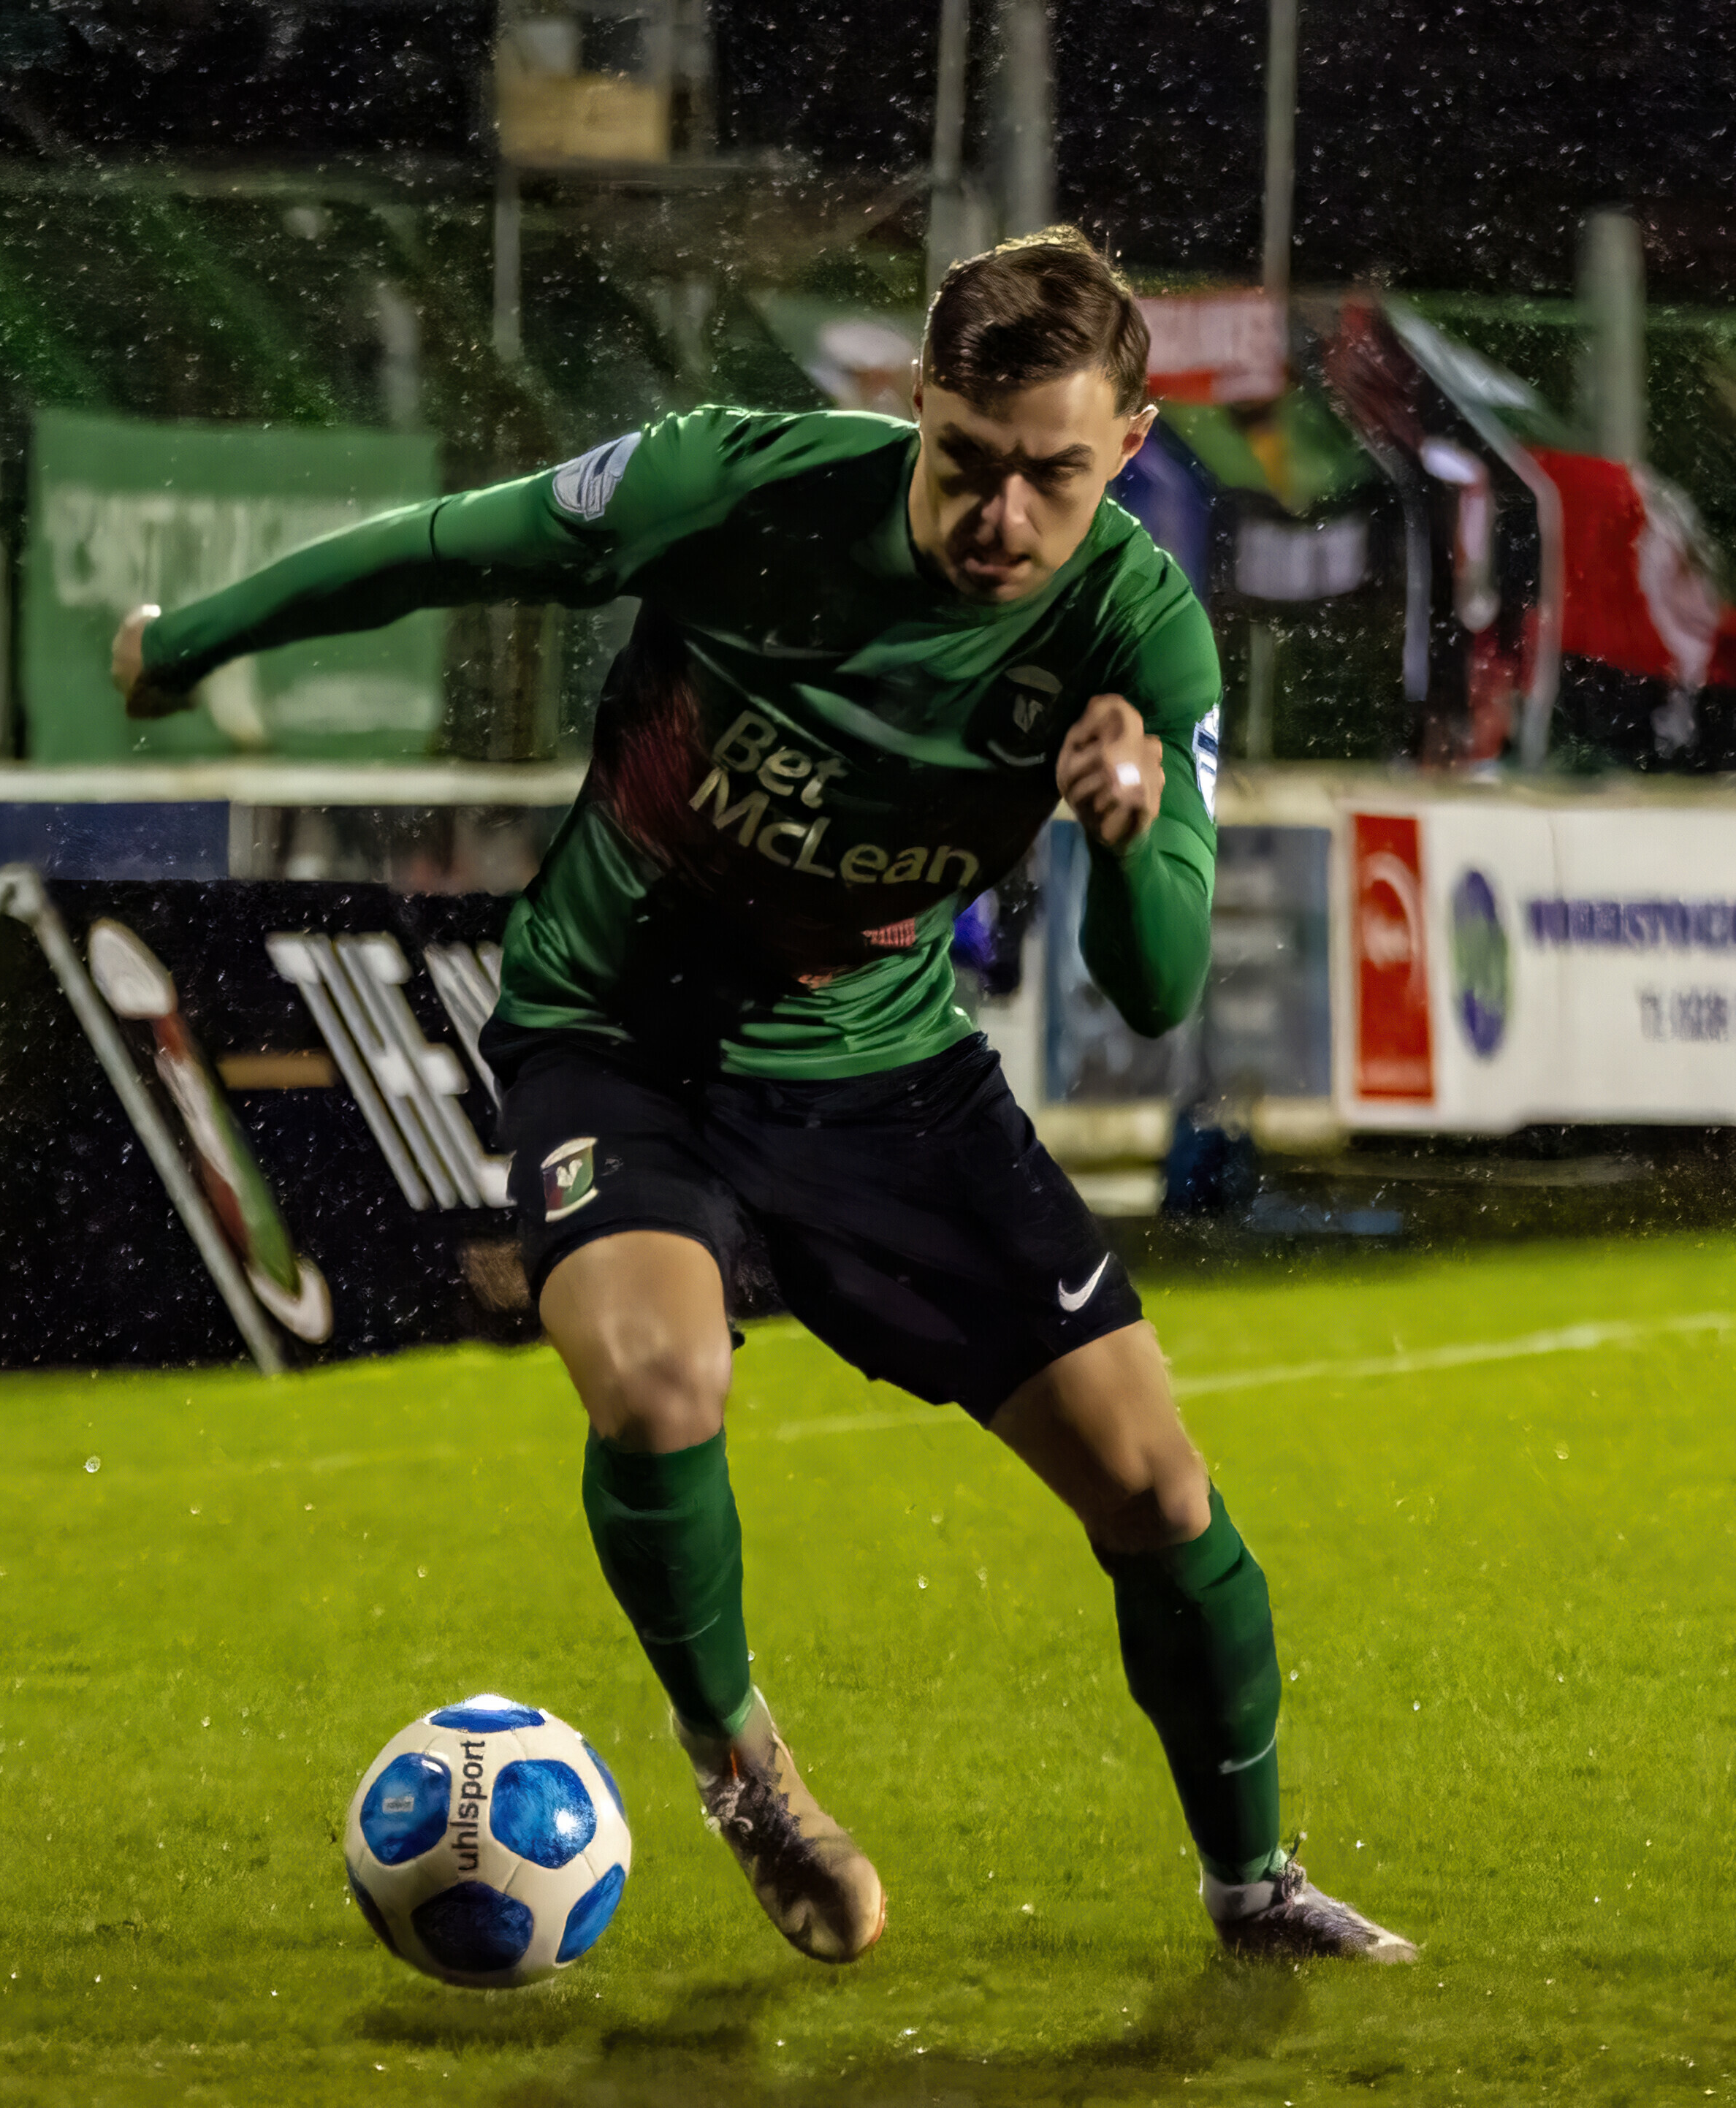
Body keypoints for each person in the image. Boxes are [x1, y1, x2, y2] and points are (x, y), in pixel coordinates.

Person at [112, 227, 1415, 1968]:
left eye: (1048, 478)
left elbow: (1159, 984)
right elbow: (444, 547)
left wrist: (1122, 839)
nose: (996, 521)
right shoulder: (728, 484)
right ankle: (744, 1779)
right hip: (618, 1037)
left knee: (1159, 1498)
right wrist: (189, 643)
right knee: (658, 1387)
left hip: (887, 1075)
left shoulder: (1140, 630)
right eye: (964, 460)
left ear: (1125, 446)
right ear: (913, 405)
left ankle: (1253, 1892)